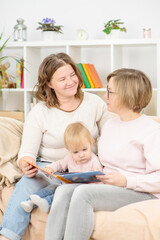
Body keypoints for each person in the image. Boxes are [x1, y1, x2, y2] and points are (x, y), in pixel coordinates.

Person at [0, 52, 110, 240]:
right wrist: (26, 162)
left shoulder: (94, 103)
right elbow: (27, 152)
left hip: (85, 166)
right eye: (62, 79)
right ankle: (7, 237)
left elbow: (111, 137)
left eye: (72, 75)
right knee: (25, 187)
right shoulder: (40, 111)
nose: (70, 82)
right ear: (49, 84)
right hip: (49, 167)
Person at [45, 68, 160, 240]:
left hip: (139, 191)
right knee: (63, 191)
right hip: (108, 185)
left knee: (84, 194)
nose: (105, 96)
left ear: (126, 95)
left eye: (110, 92)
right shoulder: (110, 125)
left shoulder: (151, 131)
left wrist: (126, 180)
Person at [20, 122, 103, 213]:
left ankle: (46, 203)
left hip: (80, 191)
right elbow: (59, 164)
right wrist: (50, 168)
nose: (81, 155)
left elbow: (99, 179)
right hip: (67, 186)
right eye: (75, 152)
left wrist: (96, 174)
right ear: (68, 150)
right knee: (52, 187)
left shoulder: (94, 161)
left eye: (84, 149)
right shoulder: (70, 158)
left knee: (61, 194)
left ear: (91, 143)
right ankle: (30, 201)